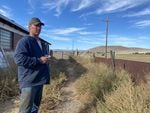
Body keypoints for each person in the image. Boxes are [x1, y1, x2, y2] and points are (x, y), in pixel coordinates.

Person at [14, 17, 50, 113]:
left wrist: (46, 59)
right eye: (36, 25)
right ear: (30, 26)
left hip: (39, 81)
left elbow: (41, 58)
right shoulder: (24, 41)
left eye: (40, 26)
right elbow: (19, 59)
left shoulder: (42, 44)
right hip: (29, 82)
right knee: (25, 110)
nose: (39, 28)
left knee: (35, 108)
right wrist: (39, 60)